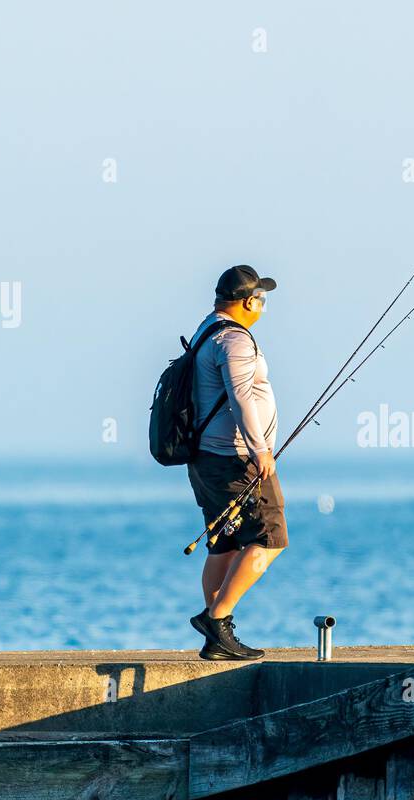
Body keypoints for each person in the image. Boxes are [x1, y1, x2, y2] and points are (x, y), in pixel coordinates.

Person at [186, 265, 288, 661]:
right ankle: (218, 619)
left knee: (224, 543)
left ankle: (217, 639)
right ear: (249, 302)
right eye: (261, 298)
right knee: (270, 537)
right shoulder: (235, 341)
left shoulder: (206, 330)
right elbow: (241, 397)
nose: (263, 305)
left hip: (207, 458)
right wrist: (260, 449)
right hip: (237, 459)